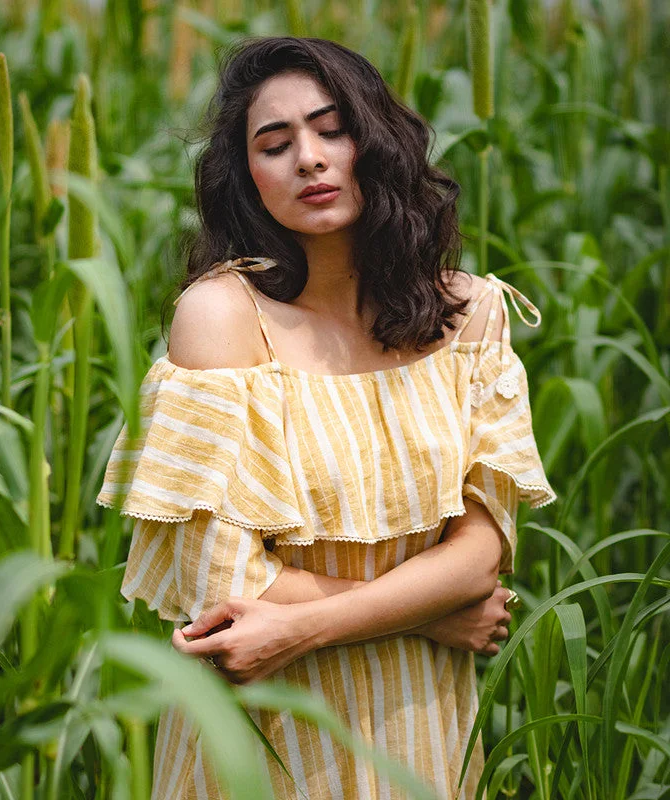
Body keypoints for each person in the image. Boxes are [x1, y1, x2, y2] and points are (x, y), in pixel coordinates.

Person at [97, 36, 556, 800]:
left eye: (331, 129)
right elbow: (225, 582)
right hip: (268, 739)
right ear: (248, 179)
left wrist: (308, 619)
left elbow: (481, 556)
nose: (308, 158)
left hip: (422, 734)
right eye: (274, 145)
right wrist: (426, 614)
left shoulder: (470, 317)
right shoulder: (222, 317)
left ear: (376, 140)